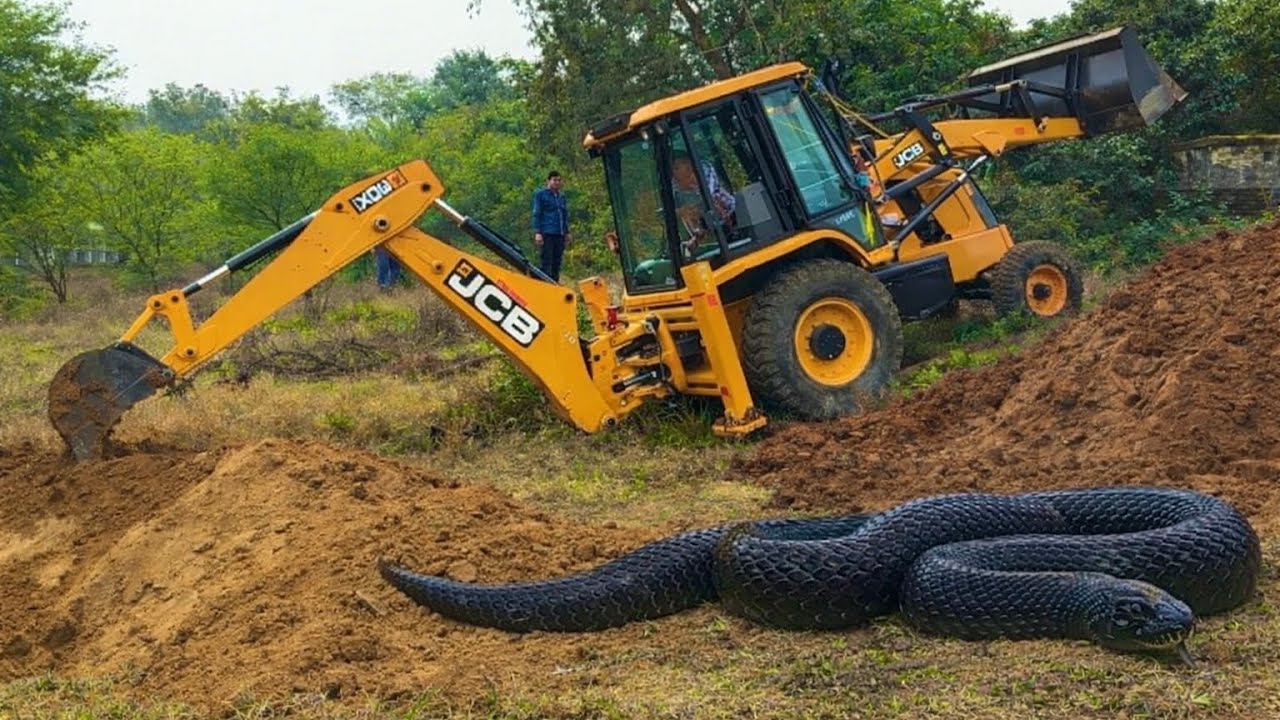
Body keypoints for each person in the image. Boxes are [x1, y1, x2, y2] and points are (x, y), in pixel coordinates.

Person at [671, 152, 735, 253]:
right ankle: (697, 235)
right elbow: (675, 206)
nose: (673, 173)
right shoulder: (675, 183)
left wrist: (694, 208)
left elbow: (708, 194)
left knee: (713, 202)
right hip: (708, 219)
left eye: (676, 168)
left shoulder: (705, 169)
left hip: (730, 211)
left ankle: (729, 226)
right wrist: (681, 211)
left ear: (688, 165)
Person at [531, 170, 571, 281]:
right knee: (546, 260)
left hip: (559, 233)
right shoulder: (541, 194)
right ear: (548, 181)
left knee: (557, 261)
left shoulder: (561, 196)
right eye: (554, 180)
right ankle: (544, 284)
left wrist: (567, 232)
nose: (557, 182)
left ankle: (555, 284)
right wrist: (538, 232)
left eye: (559, 180)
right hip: (547, 232)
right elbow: (537, 213)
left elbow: (564, 214)